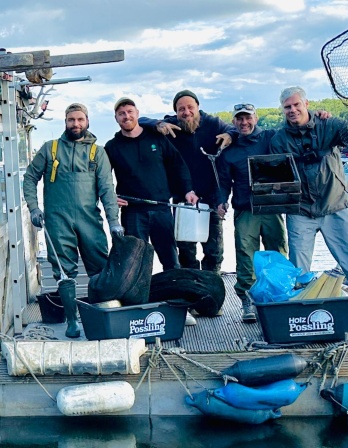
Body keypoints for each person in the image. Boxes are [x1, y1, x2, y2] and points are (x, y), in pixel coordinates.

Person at [270, 86, 348, 327]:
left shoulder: (330, 125)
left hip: (335, 205)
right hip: (301, 211)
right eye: (287, 107)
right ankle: (299, 310)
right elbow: (277, 177)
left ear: (306, 104)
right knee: (298, 266)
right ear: (282, 110)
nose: (292, 110)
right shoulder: (278, 139)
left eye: (296, 105)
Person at [23, 103, 124, 338]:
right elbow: (29, 178)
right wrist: (35, 209)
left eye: (80, 119)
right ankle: (71, 321)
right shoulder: (50, 149)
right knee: (63, 271)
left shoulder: (97, 152)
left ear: (87, 121)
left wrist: (114, 221)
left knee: (100, 267)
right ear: (65, 122)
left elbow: (107, 190)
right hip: (57, 220)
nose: (75, 124)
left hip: (90, 220)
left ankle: (102, 316)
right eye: (71, 120)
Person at [105, 98, 199, 326]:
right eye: (121, 114)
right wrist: (110, 196)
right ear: (116, 118)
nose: (126, 116)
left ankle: (179, 308)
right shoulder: (112, 147)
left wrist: (188, 190)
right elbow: (104, 178)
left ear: (137, 113)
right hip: (133, 212)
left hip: (161, 209)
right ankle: (138, 309)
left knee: (171, 260)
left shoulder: (157, 138)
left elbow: (178, 165)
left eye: (129, 112)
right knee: (135, 264)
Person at [139, 90, 239, 273]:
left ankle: (212, 284)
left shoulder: (213, 124)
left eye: (190, 107)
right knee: (185, 251)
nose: (186, 112)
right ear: (176, 112)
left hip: (211, 196)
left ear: (198, 107)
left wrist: (230, 135)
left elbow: (234, 129)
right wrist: (158, 124)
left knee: (214, 251)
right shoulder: (171, 125)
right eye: (181, 109)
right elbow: (140, 121)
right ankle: (191, 288)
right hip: (182, 197)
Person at [216, 103, 288, 323]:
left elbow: (294, 128)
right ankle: (247, 300)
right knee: (246, 255)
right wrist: (221, 201)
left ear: (255, 118)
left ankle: (279, 297)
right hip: (245, 209)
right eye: (239, 119)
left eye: (248, 118)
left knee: (277, 252)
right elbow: (223, 182)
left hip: (272, 207)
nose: (244, 123)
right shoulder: (229, 150)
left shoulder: (270, 137)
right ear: (234, 121)